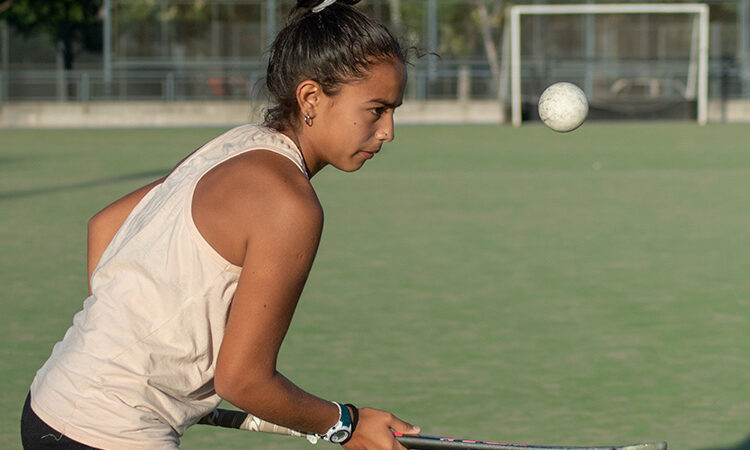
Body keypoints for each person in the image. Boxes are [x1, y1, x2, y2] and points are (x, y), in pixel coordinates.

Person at [21, 1, 420, 448]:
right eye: (376, 110)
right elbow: (243, 381)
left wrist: (136, 357)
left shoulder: (237, 144)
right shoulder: (290, 204)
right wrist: (344, 423)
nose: (388, 131)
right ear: (310, 98)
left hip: (49, 403)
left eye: (393, 111)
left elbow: (105, 225)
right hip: (107, 435)